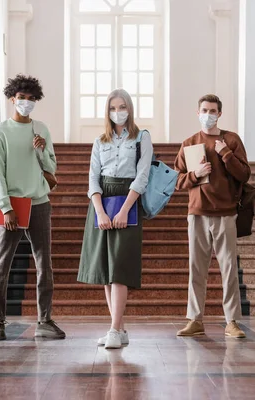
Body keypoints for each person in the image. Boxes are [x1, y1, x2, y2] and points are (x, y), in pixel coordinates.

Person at [0, 74, 65, 340]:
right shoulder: (0, 131)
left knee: (45, 264)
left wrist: (42, 151)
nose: (26, 103)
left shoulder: (41, 129)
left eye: (32, 99)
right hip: (12, 204)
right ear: (12, 99)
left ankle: (44, 320)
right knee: (2, 263)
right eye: (22, 98)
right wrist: (6, 207)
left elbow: (51, 169)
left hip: (40, 202)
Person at [77, 88, 153, 349]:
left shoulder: (142, 137)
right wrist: (99, 210)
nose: (117, 112)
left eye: (121, 107)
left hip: (128, 200)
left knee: (120, 268)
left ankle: (113, 328)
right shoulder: (100, 141)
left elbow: (142, 176)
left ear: (129, 109)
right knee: (107, 271)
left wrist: (124, 210)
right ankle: (118, 329)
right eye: (112, 108)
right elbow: (93, 177)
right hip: (102, 201)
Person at [174, 94, 250, 339]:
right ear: (198, 113)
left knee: (229, 269)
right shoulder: (189, 143)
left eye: (213, 110)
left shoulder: (231, 139)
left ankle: (232, 321)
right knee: (197, 268)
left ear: (220, 113)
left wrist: (226, 153)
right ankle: (195, 319)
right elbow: (177, 181)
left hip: (226, 213)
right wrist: (195, 174)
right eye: (205, 110)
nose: (209, 114)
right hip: (197, 214)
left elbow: (245, 174)